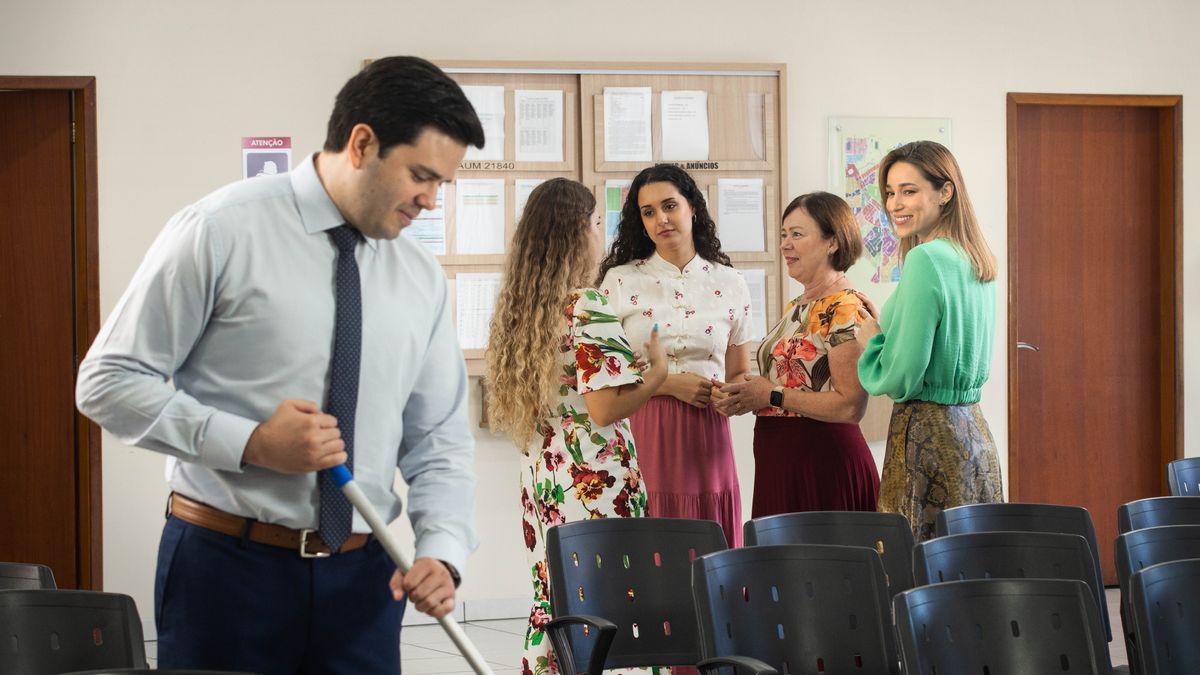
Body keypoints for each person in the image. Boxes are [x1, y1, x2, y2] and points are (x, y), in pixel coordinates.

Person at [75, 56, 485, 674]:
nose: (429, 201)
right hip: (226, 570)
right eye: (421, 176)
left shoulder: (419, 276)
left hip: (366, 579)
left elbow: (439, 438)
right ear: (363, 142)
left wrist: (442, 549)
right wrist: (253, 443)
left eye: (442, 186)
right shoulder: (218, 231)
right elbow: (107, 381)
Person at [485, 178, 667, 675]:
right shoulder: (584, 304)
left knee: (561, 595)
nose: (599, 234)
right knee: (610, 599)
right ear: (574, 233)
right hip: (594, 476)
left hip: (544, 474)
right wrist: (657, 373)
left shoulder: (522, 308)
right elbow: (605, 409)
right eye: (593, 223)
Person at [855, 140, 1003, 542]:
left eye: (909, 191)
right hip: (973, 434)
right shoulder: (976, 258)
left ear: (945, 192)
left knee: (919, 575)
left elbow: (901, 376)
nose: (894, 204)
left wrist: (873, 343)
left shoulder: (926, 259)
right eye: (889, 192)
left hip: (927, 436)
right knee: (966, 569)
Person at [598, 164, 752, 548]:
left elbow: (740, 372)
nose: (660, 219)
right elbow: (602, 378)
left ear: (693, 208)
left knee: (710, 559)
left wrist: (731, 394)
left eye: (669, 206)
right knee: (653, 550)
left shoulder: (731, 283)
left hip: (709, 438)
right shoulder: (619, 281)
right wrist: (668, 384)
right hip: (643, 431)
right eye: (648, 212)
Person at [715, 192, 879, 516]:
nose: (785, 244)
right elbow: (790, 381)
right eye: (783, 235)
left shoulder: (845, 308)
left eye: (797, 235)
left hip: (822, 464)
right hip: (782, 460)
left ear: (832, 242)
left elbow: (850, 405)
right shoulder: (798, 306)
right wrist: (745, 394)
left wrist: (771, 395)